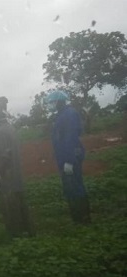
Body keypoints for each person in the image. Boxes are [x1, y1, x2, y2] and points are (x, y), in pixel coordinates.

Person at [0, 96, 35, 237]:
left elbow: (4, 156)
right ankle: (28, 231)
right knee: (20, 204)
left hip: (7, 177)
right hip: (16, 175)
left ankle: (16, 236)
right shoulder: (10, 128)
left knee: (10, 207)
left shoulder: (1, 132)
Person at [45, 90, 91, 224]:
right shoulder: (62, 114)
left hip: (70, 157)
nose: (51, 105)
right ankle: (77, 218)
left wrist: (69, 160)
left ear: (60, 101)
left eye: (52, 102)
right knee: (70, 188)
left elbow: (70, 138)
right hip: (64, 157)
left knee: (75, 186)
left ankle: (83, 219)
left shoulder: (69, 114)